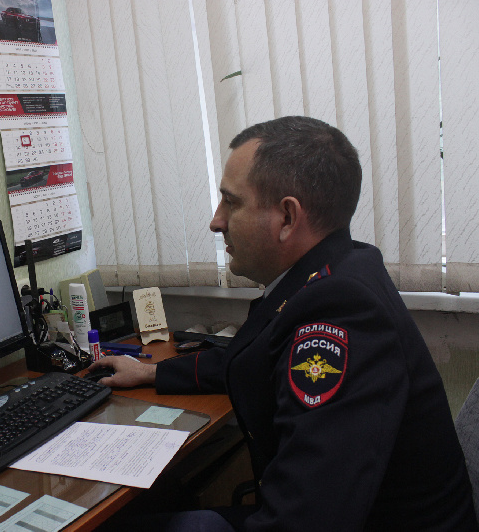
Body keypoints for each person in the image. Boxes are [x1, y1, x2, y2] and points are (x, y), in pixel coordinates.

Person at [90, 116, 477, 531]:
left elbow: (307, 519)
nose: (216, 221)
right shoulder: (336, 269)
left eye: (231, 202)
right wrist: (151, 372)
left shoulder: (342, 313)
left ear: (288, 218)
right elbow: (261, 358)